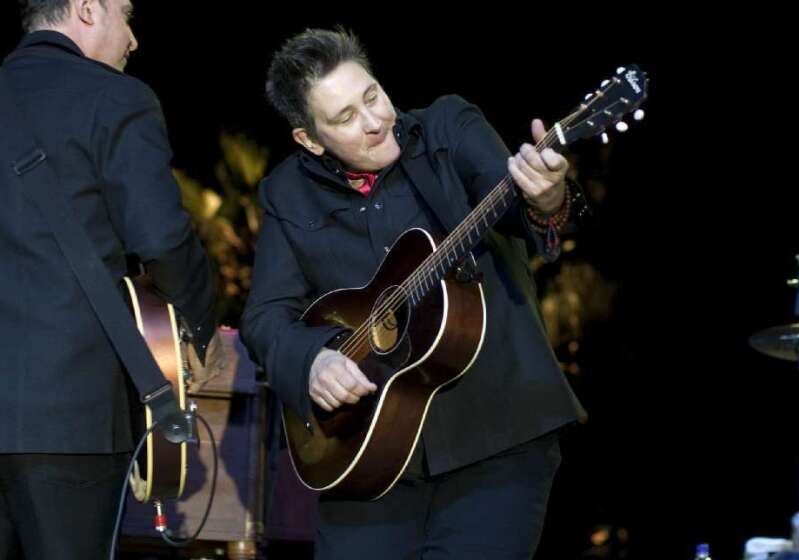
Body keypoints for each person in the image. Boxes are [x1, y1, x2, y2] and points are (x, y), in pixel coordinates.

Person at [241, 27, 587, 559]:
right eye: (345, 118)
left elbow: (523, 213)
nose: (376, 122)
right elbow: (265, 317)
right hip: (362, 455)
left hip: (497, 440)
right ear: (309, 140)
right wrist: (311, 362)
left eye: (372, 95)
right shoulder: (286, 194)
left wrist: (548, 196)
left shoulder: (449, 125)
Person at [0, 1, 222, 557]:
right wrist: (200, 326)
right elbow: (163, 238)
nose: (134, 39)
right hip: (69, 415)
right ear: (87, 9)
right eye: (126, 15)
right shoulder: (115, 97)